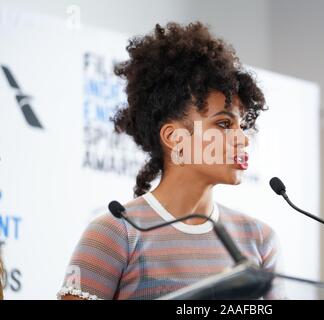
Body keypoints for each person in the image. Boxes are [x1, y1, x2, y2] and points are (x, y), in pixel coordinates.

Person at [58, 21, 283, 300]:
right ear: (174, 137)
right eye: (224, 124)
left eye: (242, 126)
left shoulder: (260, 239)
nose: (243, 139)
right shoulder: (114, 234)